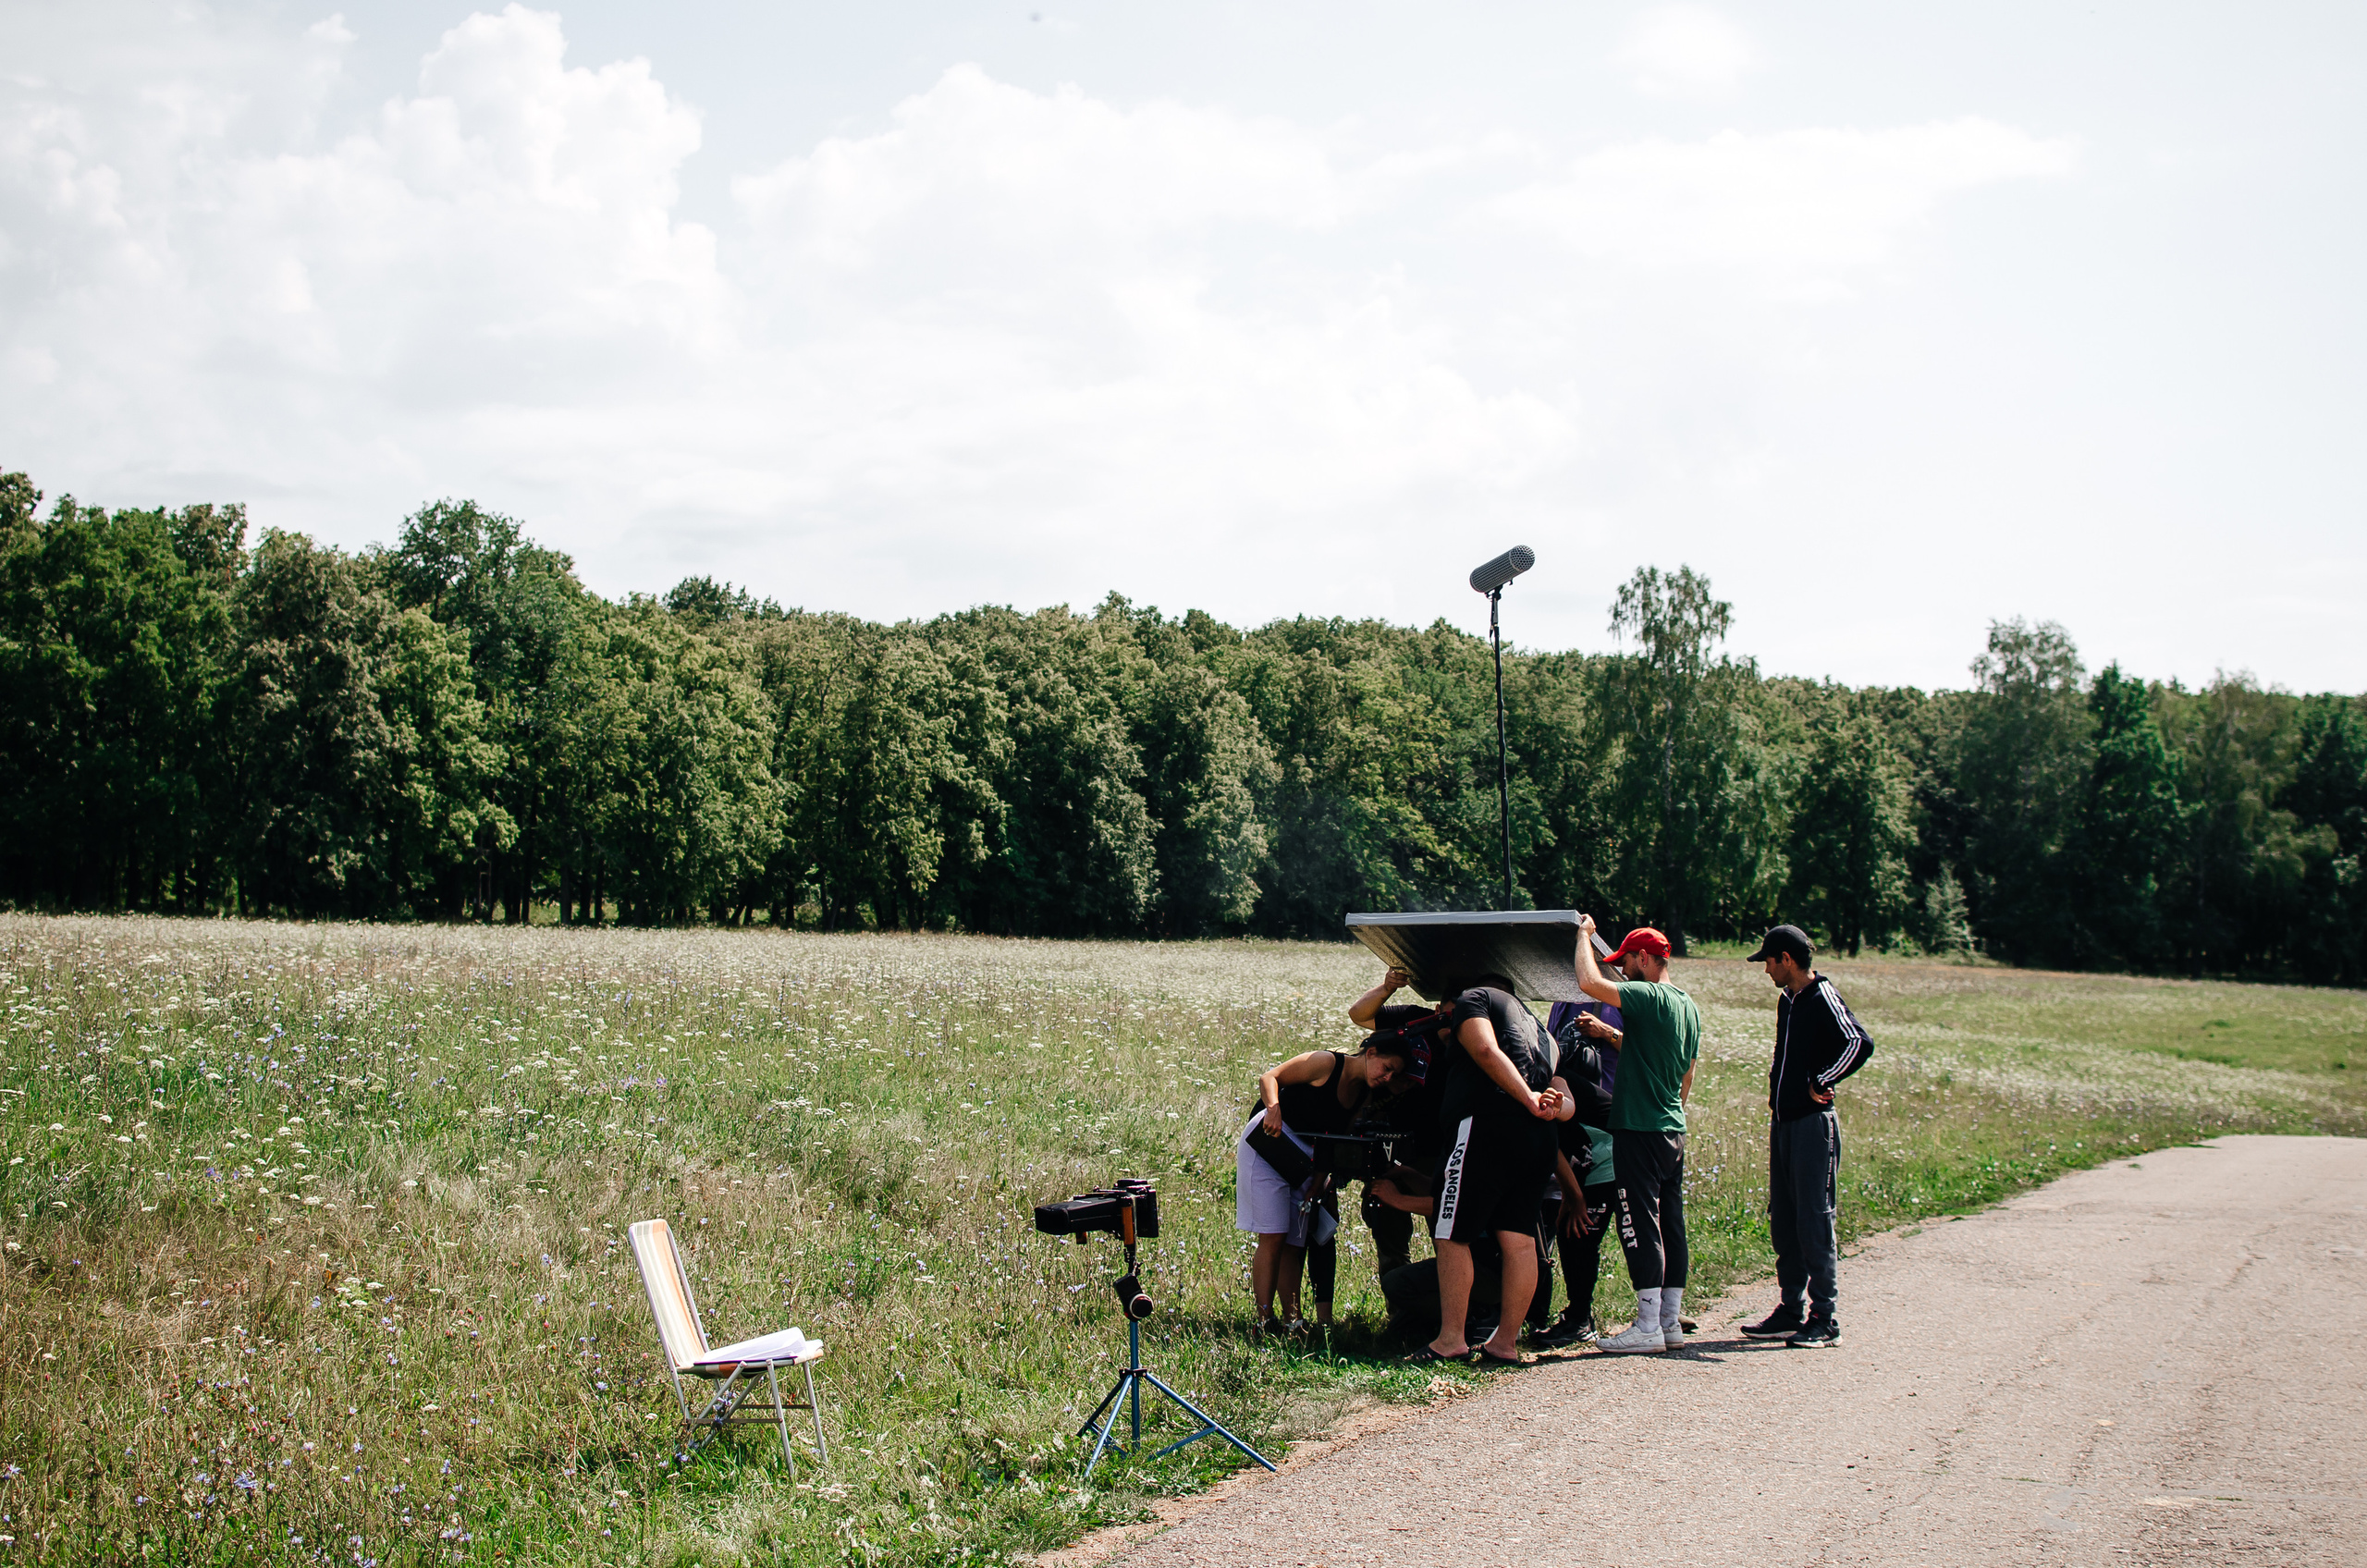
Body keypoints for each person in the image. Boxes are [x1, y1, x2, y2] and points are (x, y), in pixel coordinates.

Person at [1416, 974, 1572, 1366]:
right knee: (1519, 1240)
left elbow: (1484, 1050)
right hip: (1539, 1141)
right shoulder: (1543, 1033)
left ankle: (1451, 1340)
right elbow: (1564, 1100)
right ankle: (1505, 1343)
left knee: (1451, 1233)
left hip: (1485, 1128)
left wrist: (1528, 1098)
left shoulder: (1475, 997)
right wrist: (1547, 1107)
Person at [1738, 925, 1874, 1350]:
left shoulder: (1822, 997)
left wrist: (1824, 1079)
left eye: (1769, 962)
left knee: (1815, 1218)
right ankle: (1790, 1309)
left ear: (1787, 959)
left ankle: (1825, 1318)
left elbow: (1859, 1041)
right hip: (1785, 1122)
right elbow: (1785, 1053)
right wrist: (1775, 1088)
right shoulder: (1788, 1000)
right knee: (1785, 1217)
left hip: (1814, 1125)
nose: (1766, 971)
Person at [1574, 918, 1701, 1354]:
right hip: (1671, 1129)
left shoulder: (1646, 995)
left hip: (1638, 1128)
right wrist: (1610, 1034)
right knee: (1671, 1223)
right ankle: (1669, 1322)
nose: (1622, 971)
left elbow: (1589, 982)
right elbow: (1685, 1069)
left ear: (1644, 958)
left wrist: (1583, 937)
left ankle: (1646, 1324)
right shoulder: (1686, 1005)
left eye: (1626, 962)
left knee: (1638, 1220)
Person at [1235, 1035, 1408, 1335]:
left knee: (1295, 1240)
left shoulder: (1362, 1096)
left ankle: (1294, 1322)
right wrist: (1274, 1108)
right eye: (1387, 1067)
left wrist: (1319, 1181)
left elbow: (1332, 1142)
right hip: (1272, 1141)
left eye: (1393, 1074)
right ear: (1372, 1052)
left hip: (1306, 1158)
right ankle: (1263, 1322)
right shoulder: (1325, 1063)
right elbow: (1270, 1077)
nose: (1386, 1077)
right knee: (1273, 1234)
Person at [1346, 968, 1458, 1276]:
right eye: (1449, 1016)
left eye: (1464, 1017)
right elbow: (1359, 1014)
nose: (1454, 1025)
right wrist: (1386, 988)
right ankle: (1399, 1299)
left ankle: (1448, 1300)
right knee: (1385, 1216)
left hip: (1441, 1148)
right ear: (1438, 1010)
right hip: (1393, 1142)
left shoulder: (1476, 1043)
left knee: (1447, 1227)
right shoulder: (1415, 1020)